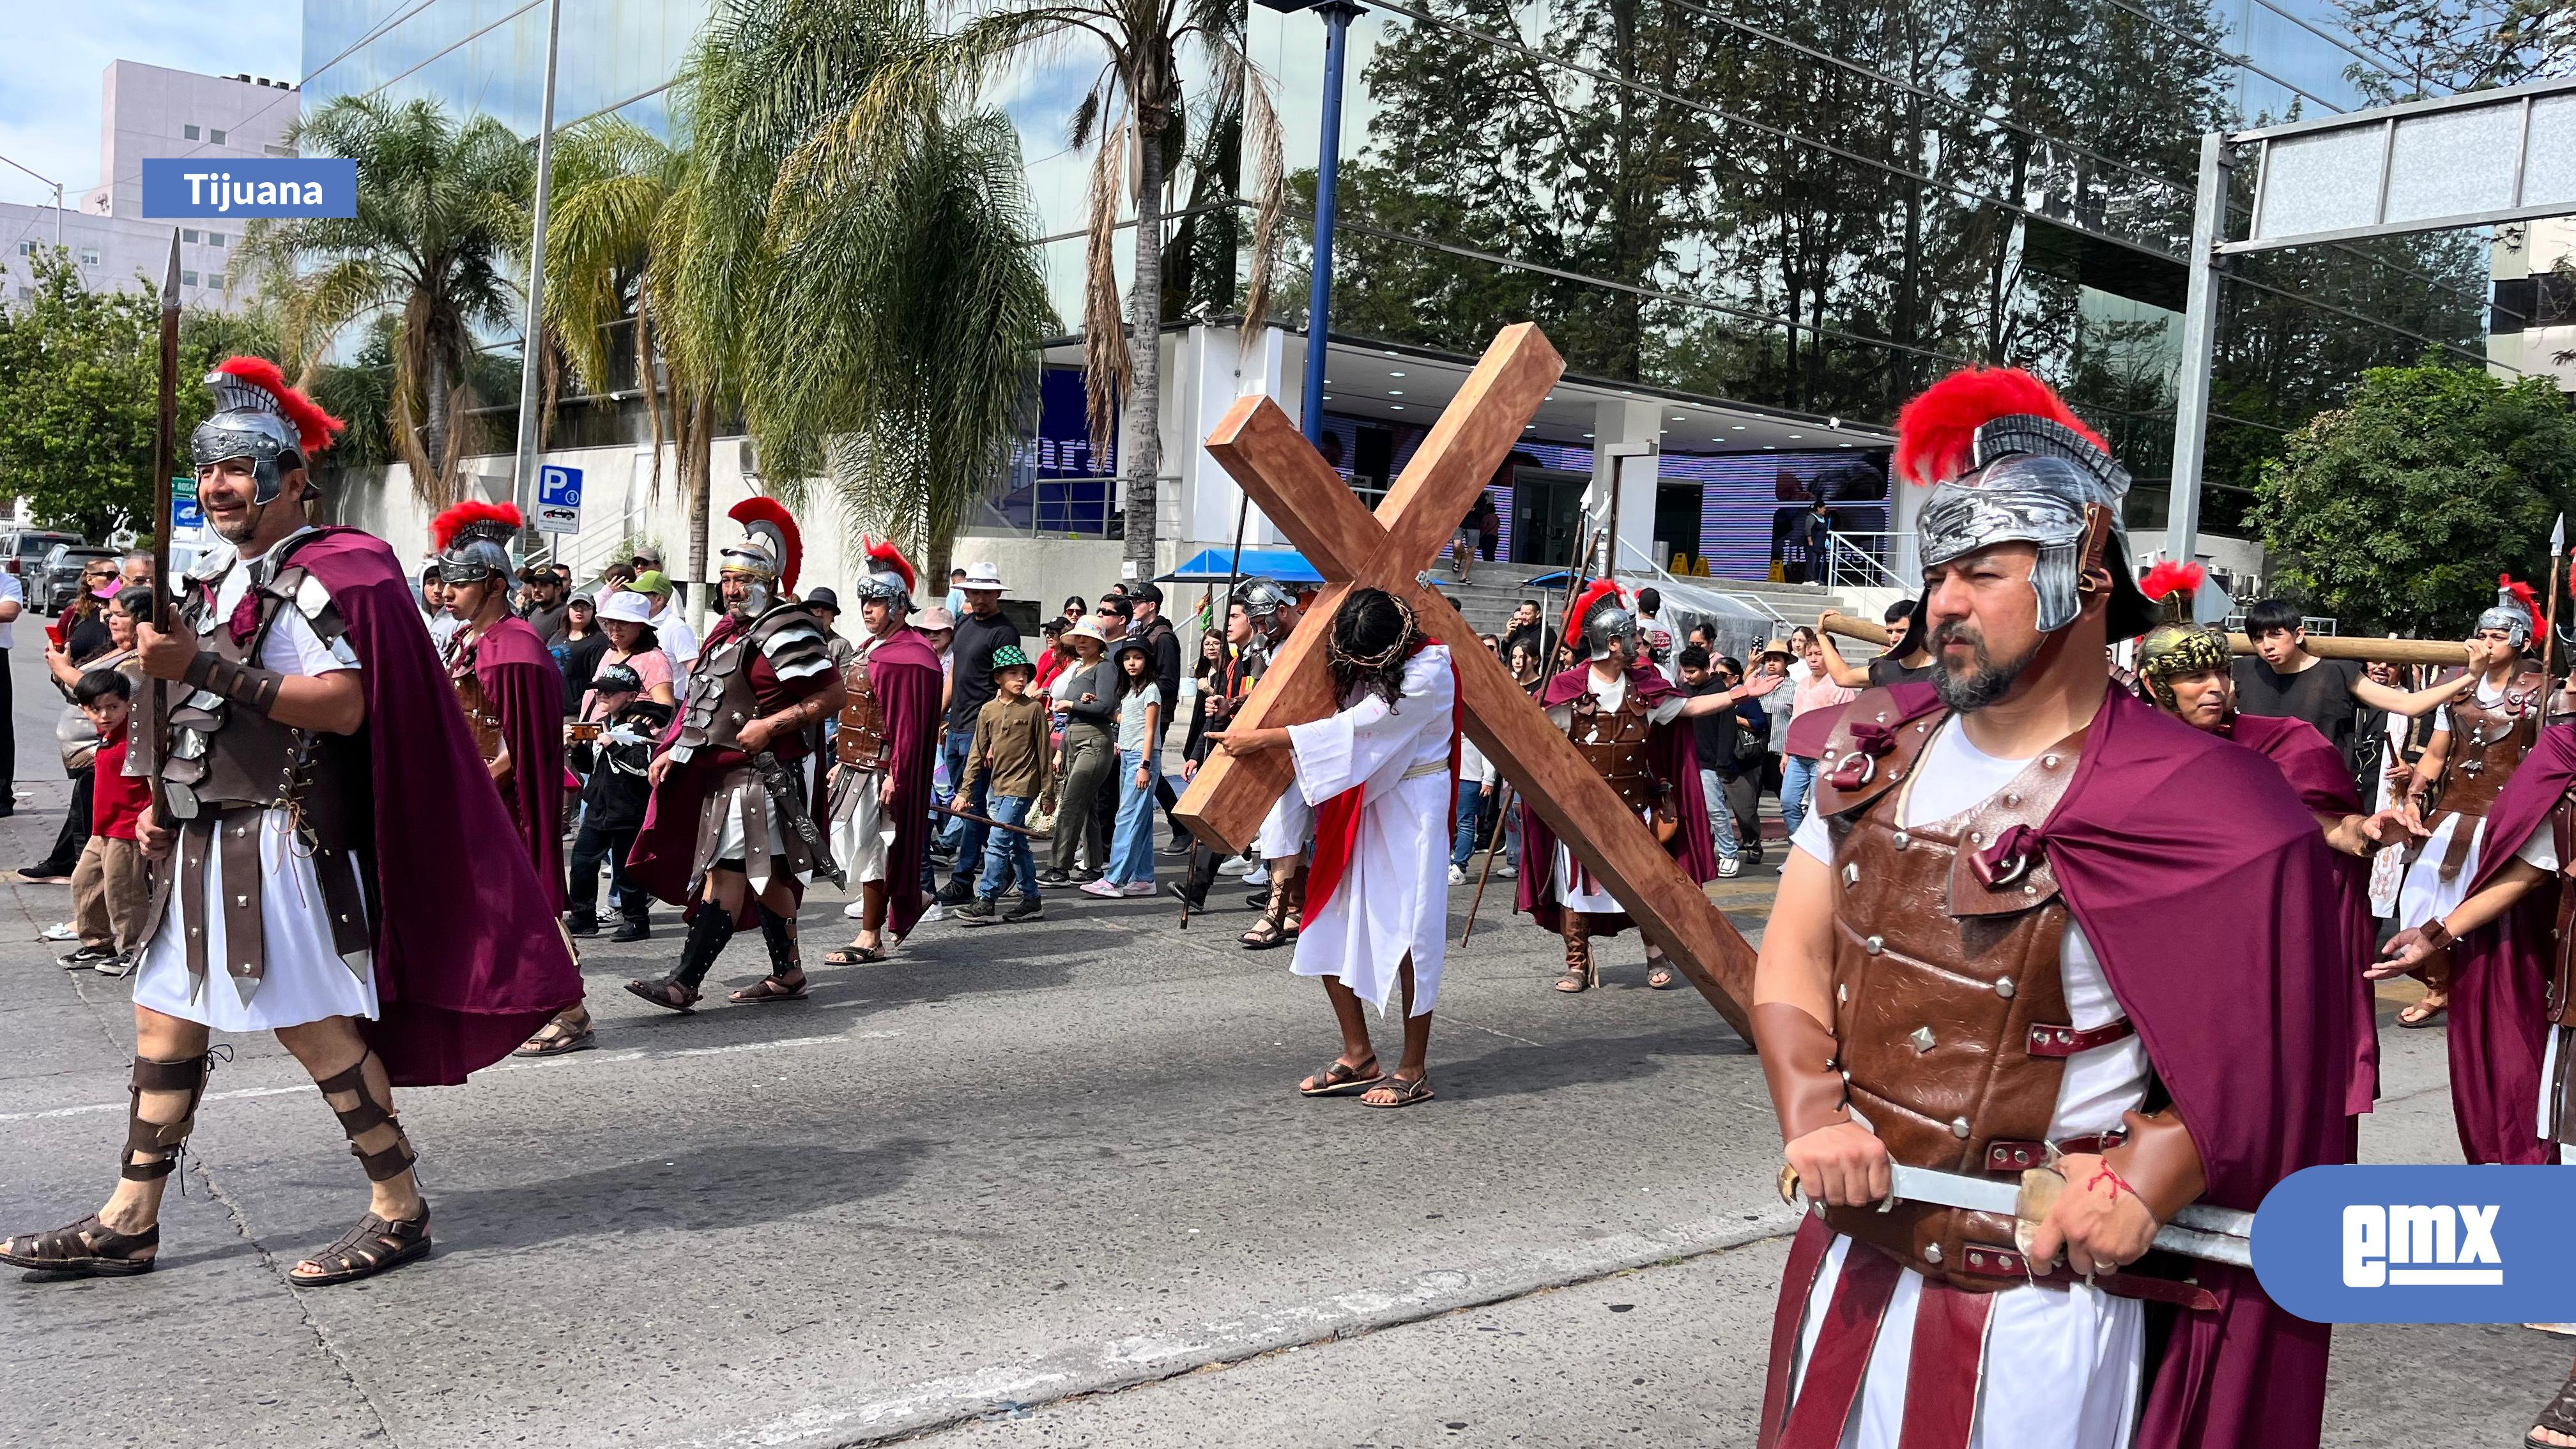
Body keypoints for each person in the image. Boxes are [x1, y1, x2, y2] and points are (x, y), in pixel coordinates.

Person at [1752, 364, 2348, 1449]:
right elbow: (1792, 954)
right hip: (1853, 1258)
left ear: (2081, 570)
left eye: (1980, 572)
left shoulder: (2211, 807)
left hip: (2039, 1304)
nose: (1943, 604)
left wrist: (2151, 1171)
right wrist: (1811, 1106)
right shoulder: (1872, 747)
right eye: (1939, 574)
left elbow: (2265, 1062)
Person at [1, 356, 578, 1285]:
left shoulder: (334, 570)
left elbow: (344, 705)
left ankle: (400, 1209)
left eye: (241, 465)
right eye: (210, 468)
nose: (220, 484)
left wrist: (197, 666)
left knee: (314, 1030)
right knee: (163, 1022)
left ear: (292, 478)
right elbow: (211, 710)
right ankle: (130, 1217)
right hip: (211, 834)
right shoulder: (232, 581)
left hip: (283, 841)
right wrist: (164, 801)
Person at [2135, 561, 2393, 1130]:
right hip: (2146, 954)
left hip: (2246, 953)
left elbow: (2320, 820)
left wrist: (2358, 833)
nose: (2216, 690)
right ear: (2154, 688)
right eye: (2195, 680)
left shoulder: (2278, 746)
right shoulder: (2122, 752)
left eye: (2222, 676)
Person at [1209, 588, 1457, 1108]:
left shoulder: (1431, 668)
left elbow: (1360, 724)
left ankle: (1413, 1069)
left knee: (1411, 932)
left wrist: (1268, 738)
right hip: (1360, 798)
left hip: (1412, 806)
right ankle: (1359, 1053)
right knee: (1326, 920)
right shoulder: (1356, 647)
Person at [624, 500, 844, 1013]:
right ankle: (788, 973)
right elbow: (705, 703)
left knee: (726, 873)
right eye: (726, 579)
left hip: (764, 775)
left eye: (742, 580)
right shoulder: (728, 631)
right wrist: (673, 750)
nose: (731, 589)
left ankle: (683, 982)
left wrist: (772, 724)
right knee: (763, 876)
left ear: (767, 582)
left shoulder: (788, 627)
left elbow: (831, 697)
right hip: (723, 775)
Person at [2373, 580, 2564, 1169]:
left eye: (2493, 633)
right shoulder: (2457, 694)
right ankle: (2443, 983)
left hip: (2507, 826)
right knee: (2424, 913)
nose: (2482, 642)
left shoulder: (2543, 694)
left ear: (2518, 640)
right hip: (2455, 818)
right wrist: (2416, 794)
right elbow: (2437, 749)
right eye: (2478, 632)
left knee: (2500, 935)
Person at [1518, 581, 1778, 992]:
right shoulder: (1567, 689)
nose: (1640, 643)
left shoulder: (1645, 685)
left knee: (1645, 886)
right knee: (1577, 889)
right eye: (1633, 638)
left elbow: (1688, 708)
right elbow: (1536, 742)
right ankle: (1576, 962)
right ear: (1613, 642)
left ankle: (1655, 953)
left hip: (1636, 806)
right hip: (1583, 811)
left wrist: (1740, 693)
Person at [431, 502, 581, 1057]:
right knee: (491, 910)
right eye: (445, 582)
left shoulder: (514, 650)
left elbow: (520, 746)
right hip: (474, 799)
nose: (448, 594)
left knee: (528, 906)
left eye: (461, 583)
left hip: (506, 804)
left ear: (495, 584)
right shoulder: (473, 641)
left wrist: (479, 789)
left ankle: (571, 1009)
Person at [820, 539, 941, 964]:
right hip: (857, 767)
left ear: (897, 605)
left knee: (876, 849)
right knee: (857, 845)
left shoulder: (911, 657)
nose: (868, 609)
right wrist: (842, 762)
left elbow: (904, 727)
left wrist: (896, 772)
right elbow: (860, 712)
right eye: (865, 601)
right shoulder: (874, 649)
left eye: (876, 601)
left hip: (882, 772)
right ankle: (912, 895)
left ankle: (870, 935)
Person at [2233, 596, 2466, 785]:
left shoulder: (2337, 672)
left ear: (2299, 634)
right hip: (2255, 789)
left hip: (2320, 794)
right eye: (2258, 638)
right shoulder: (2243, 671)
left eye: (2276, 634)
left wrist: (2471, 675)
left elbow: (2410, 705)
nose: (2267, 645)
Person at [1224, 579, 1312, 946]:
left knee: (1285, 828)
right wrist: (1235, 703)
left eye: (1261, 621)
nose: (1258, 629)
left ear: (1282, 609)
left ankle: (1275, 914)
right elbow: (1265, 695)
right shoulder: (1266, 646)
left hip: (1312, 744)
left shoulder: (1310, 638)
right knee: (1285, 828)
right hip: (1279, 748)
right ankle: (1295, 908)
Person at [931, 562, 1023, 905]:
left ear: (997, 593)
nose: (980, 597)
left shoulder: (1004, 631)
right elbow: (955, 674)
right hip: (956, 726)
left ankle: (963, 878)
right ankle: (1003, 867)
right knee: (966, 804)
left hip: (982, 730)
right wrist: (936, 715)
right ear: (965, 593)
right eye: (974, 591)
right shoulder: (966, 623)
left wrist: (994, 738)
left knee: (971, 805)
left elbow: (1009, 687)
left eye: (986, 591)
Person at [564, 663, 669, 946]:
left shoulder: (639, 729)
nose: (602, 695)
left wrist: (613, 745)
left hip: (627, 810)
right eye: (599, 690)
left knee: (627, 869)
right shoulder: (605, 725)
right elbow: (592, 767)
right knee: (582, 863)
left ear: (632, 696)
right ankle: (583, 917)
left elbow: (641, 768)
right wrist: (576, 748)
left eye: (611, 691)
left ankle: (636, 921)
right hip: (598, 807)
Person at [953, 645, 1055, 926]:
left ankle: (986, 899)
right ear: (998, 677)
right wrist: (965, 792)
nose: (1021, 679)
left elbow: (1044, 754)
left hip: (1022, 787)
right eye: (1013, 673)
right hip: (997, 787)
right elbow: (976, 753)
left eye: (1024, 674)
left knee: (998, 842)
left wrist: (1048, 794)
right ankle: (1032, 900)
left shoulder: (1034, 709)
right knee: (1016, 844)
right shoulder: (988, 710)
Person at [65, 670, 151, 977]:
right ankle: (98, 942)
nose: (105, 715)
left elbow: (155, 784)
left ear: (128, 704)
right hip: (102, 829)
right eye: (96, 709)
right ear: (84, 710)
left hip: (127, 829)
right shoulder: (107, 738)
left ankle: (134, 949)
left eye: (113, 707)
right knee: (84, 882)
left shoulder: (136, 739)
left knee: (123, 891)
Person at [1082, 639, 1163, 898]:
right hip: (1129, 756)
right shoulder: (1131, 692)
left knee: (1127, 818)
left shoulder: (1151, 690)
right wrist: (1096, 703)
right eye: (1127, 658)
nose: (1131, 663)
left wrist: (1145, 766)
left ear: (1147, 661)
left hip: (1142, 759)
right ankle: (1143, 878)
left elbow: (1150, 730)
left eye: (1137, 658)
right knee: (1141, 820)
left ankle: (1114, 879)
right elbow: (1125, 720)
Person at [1681, 647, 1768, 880]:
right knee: (1692, 811)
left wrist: (1722, 763)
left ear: (1705, 669)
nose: (1688, 676)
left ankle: (1729, 853)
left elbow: (1727, 730)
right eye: (1685, 672)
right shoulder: (1683, 690)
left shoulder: (1719, 690)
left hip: (1711, 763)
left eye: (1692, 672)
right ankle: (1702, 854)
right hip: (1689, 760)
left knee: (1715, 810)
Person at [1044, 617, 1117, 885]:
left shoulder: (1105, 668)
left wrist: (1072, 704)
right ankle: (1094, 867)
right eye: (1078, 637)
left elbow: (1107, 706)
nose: (1082, 642)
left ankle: (1059, 868)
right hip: (1072, 739)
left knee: (1072, 804)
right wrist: (1062, 749)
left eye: (1087, 637)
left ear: (1099, 642)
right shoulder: (1076, 668)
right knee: (1088, 808)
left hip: (1095, 741)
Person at [1122, 581, 1189, 855]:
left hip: (1155, 712)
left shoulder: (1163, 637)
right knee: (1148, 771)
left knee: (1153, 771)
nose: (1133, 606)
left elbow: (1170, 683)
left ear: (1152, 606)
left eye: (1138, 602)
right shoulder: (1145, 631)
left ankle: (1181, 828)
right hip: (1140, 710)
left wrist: (1142, 693)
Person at [1779, 627, 1856, 841]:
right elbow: (1795, 720)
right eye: (1810, 654)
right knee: (1788, 802)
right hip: (1797, 753)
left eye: (1819, 654)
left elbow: (1846, 724)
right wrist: (1787, 752)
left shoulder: (1841, 684)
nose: (1813, 659)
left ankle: (1815, 855)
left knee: (1817, 809)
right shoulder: (1802, 683)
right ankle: (1798, 847)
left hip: (1823, 757)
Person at [555, 593, 609, 711]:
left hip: (576, 711)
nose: (580, 610)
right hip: (552, 705)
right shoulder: (558, 635)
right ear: (568, 609)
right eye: (575, 606)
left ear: (593, 611)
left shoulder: (599, 640)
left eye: (585, 607)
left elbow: (597, 680)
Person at [518, 564, 571, 646]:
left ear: (558, 590)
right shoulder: (535, 612)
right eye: (534, 585)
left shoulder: (566, 614)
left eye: (544, 585)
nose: (536, 590)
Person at [1785, 495, 1831, 583]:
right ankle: (1808, 580)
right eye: (1824, 508)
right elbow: (1807, 529)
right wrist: (1810, 541)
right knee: (1811, 562)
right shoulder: (1811, 517)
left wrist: (1826, 539)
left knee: (1817, 563)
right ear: (1818, 508)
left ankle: (1815, 579)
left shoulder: (1823, 519)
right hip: (1812, 545)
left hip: (1820, 545)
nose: (1825, 510)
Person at [1501, 599, 1544, 664]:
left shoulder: (1546, 632)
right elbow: (1505, 653)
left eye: (1527, 614)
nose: (1523, 617)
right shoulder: (1517, 630)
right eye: (1522, 613)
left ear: (1537, 614)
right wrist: (1507, 636)